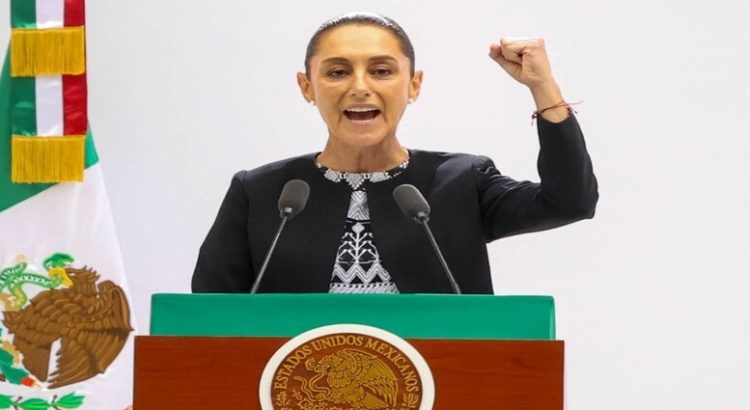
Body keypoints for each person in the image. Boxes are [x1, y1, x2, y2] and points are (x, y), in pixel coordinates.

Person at [191, 12, 598, 294]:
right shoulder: (262, 193)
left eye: (382, 71)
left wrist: (543, 88)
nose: (360, 87)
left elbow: (570, 202)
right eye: (337, 72)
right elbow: (206, 319)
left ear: (413, 85)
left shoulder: (461, 182)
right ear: (307, 87)